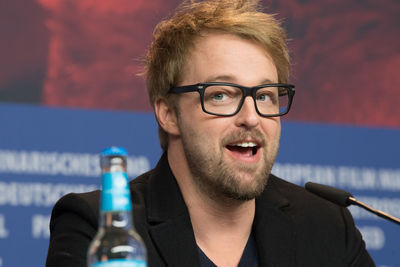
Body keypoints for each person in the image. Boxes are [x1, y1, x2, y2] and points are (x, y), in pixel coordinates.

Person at [46, 0, 375, 266]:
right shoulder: (101, 229)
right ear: (168, 114)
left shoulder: (326, 225)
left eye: (264, 96)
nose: (251, 117)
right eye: (221, 95)